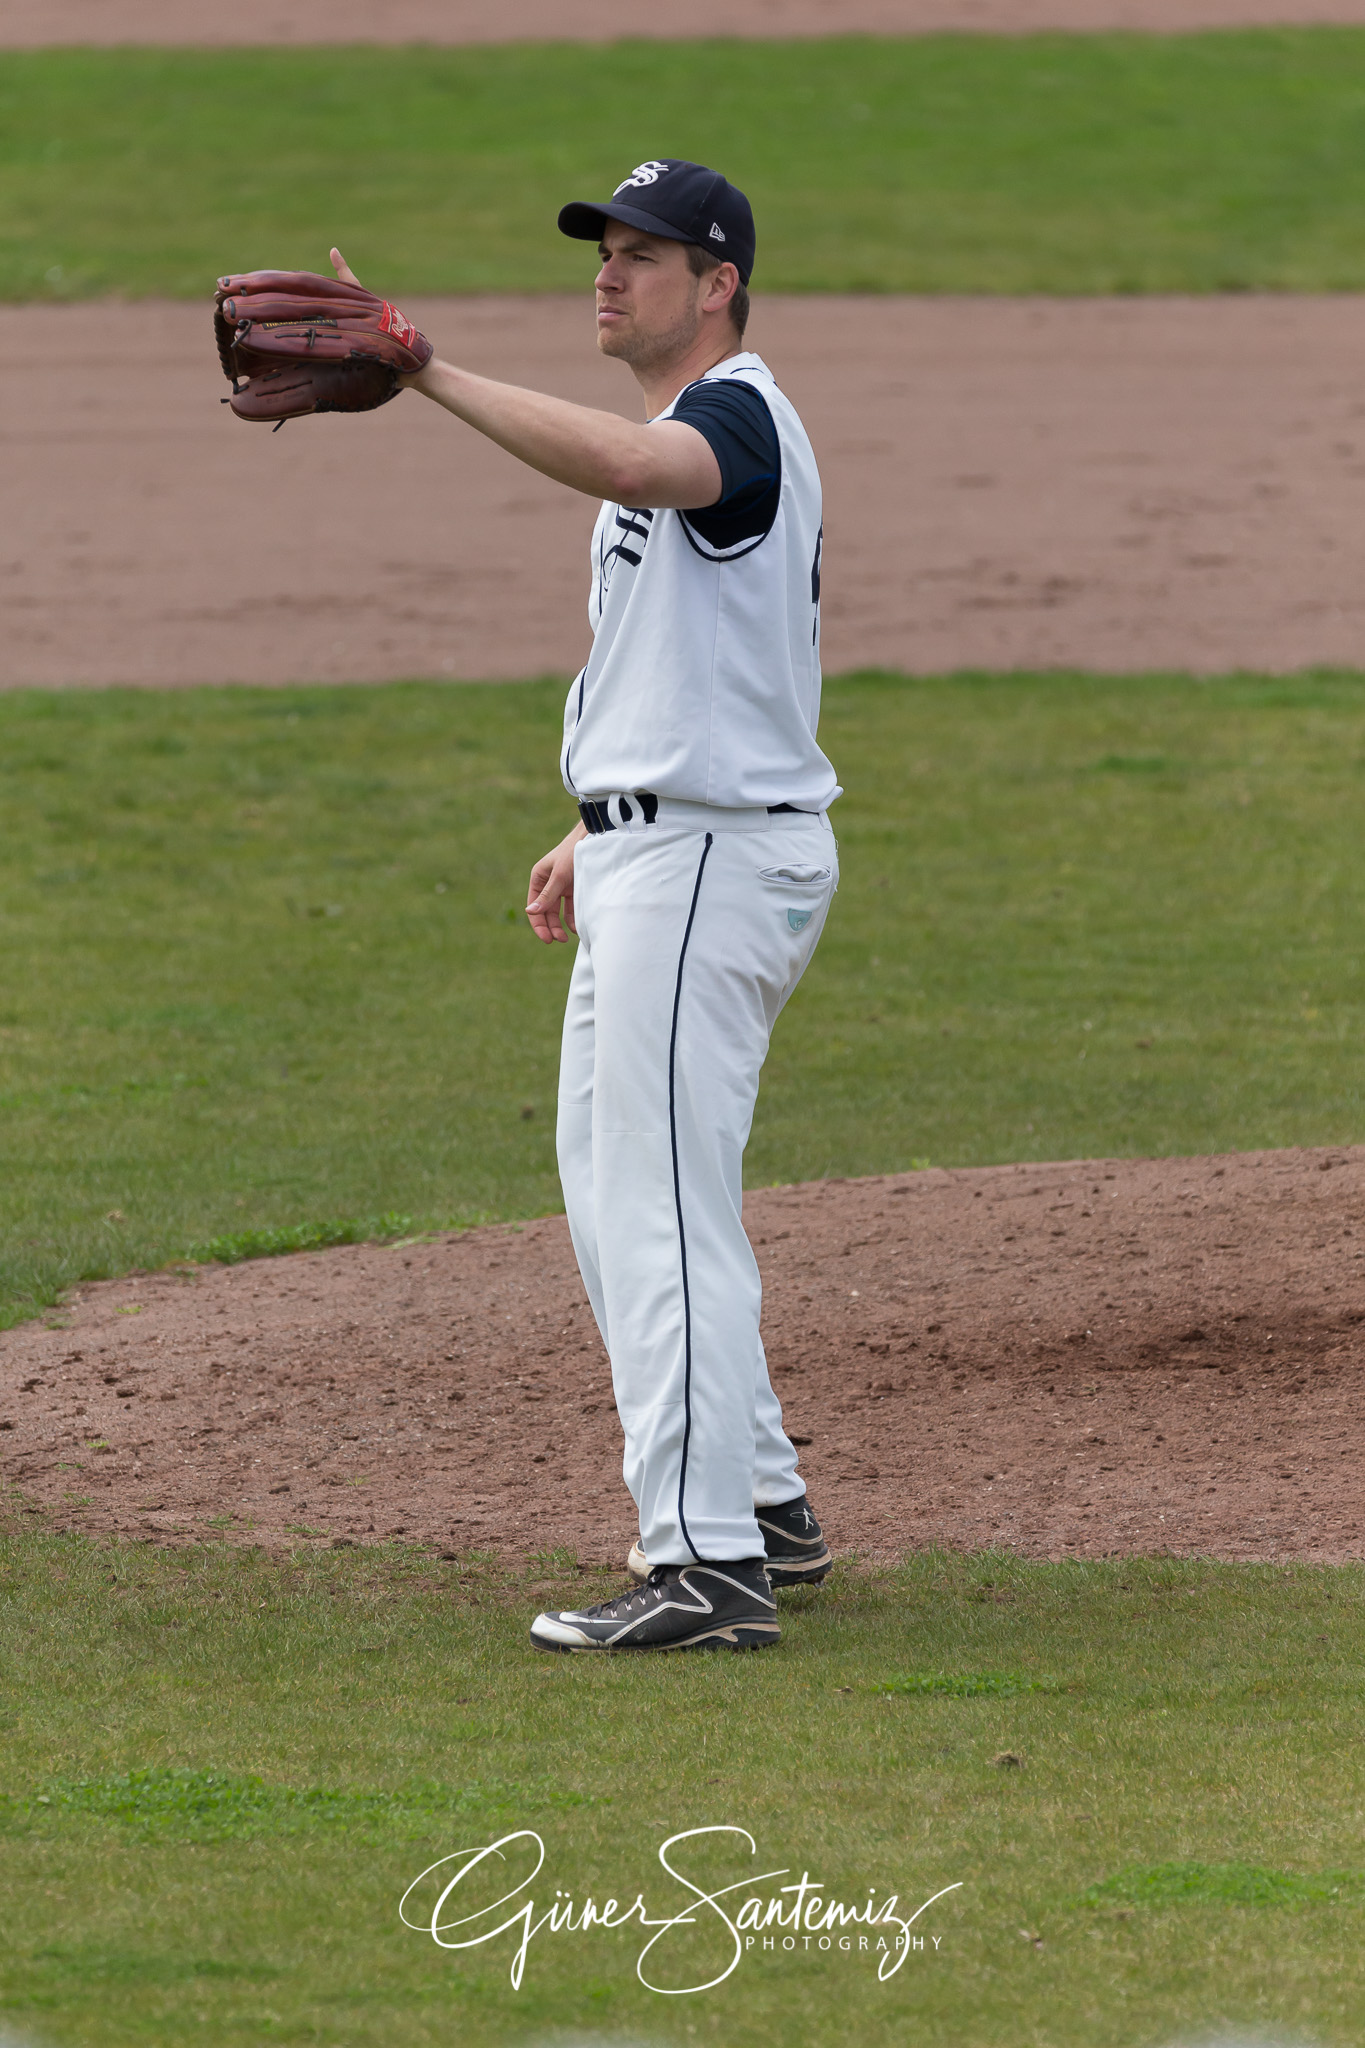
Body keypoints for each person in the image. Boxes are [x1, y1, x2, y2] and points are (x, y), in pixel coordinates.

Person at [340, 158, 840, 1652]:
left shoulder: (733, 416)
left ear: (720, 283)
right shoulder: (682, 430)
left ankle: (706, 1570)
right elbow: (695, 656)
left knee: (661, 1207)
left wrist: (425, 372)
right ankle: (761, 1502)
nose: (610, 275)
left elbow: (637, 476)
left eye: (645, 255)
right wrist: (589, 818)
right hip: (655, 851)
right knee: (616, 1190)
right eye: (605, 251)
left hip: (707, 863)